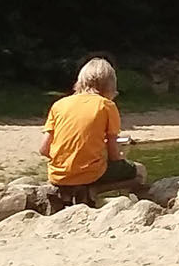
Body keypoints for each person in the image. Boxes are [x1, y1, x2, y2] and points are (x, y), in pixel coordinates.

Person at [38, 58, 140, 207]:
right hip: (90, 175)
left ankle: (74, 192)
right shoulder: (107, 105)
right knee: (139, 171)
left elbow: (44, 149)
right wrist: (119, 156)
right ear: (110, 85)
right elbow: (113, 155)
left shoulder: (59, 105)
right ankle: (95, 190)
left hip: (58, 176)